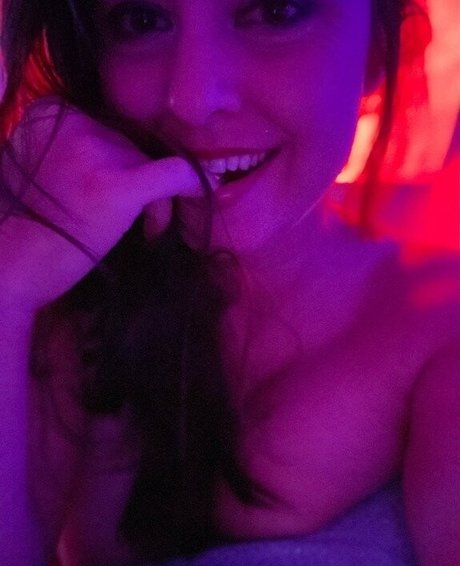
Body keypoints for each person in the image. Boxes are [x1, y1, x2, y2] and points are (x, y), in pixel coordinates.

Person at [0, 1, 458, 565]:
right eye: (141, 21)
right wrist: (9, 291)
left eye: (275, 11)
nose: (193, 100)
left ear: (379, 52)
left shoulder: (440, 327)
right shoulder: (68, 282)